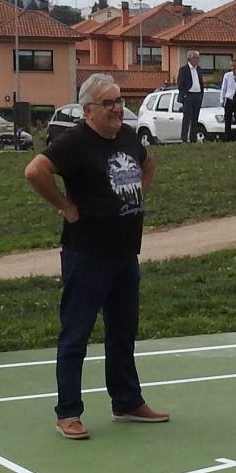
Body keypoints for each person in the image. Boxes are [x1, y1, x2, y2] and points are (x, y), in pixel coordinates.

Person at [28, 74, 169, 439]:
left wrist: (136, 194)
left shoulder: (125, 136)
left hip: (125, 253)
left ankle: (126, 400)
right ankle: (68, 412)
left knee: (123, 332)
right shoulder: (73, 142)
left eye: (119, 101)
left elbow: (148, 164)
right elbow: (35, 171)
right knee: (75, 335)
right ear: (88, 110)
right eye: (109, 103)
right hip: (87, 254)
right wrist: (65, 206)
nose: (117, 108)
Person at [175, 55, 204, 143]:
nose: (197, 60)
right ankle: (184, 138)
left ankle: (193, 139)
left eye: (198, 58)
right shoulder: (184, 69)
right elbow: (180, 83)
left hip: (197, 95)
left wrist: (201, 93)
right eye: (195, 58)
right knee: (187, 118)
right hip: (188, 95)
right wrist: (184, 94)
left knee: (195, 118)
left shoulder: (199, 69)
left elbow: (200, 81)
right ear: (190, 59)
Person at [218, 60, 236, 141]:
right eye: (232, 66)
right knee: (228, 119)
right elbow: (223, 88)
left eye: (235, 65)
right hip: (229, 98)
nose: (233, 67)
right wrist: (222, 99)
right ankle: (227, 136)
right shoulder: (227, 75)